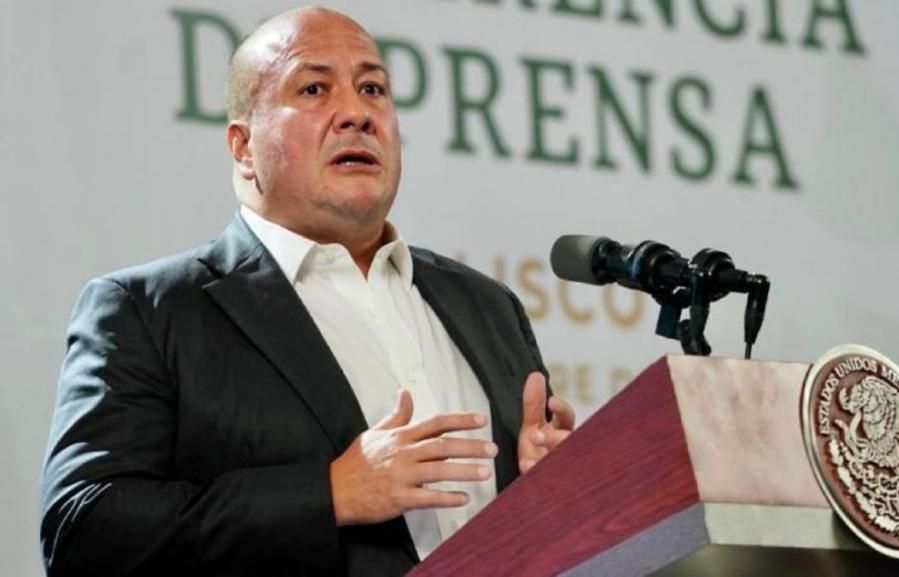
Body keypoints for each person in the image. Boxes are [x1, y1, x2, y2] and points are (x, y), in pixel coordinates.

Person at [39, 7, 574, 576]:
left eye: (373, 89)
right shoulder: (149, 311)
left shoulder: (487, 305)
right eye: (314, 88)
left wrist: (556, 489)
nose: (357, 113)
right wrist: (330, 493)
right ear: (244, 148)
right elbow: (83, 528)